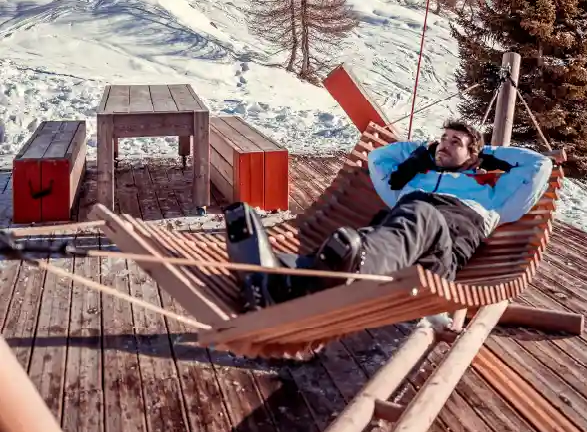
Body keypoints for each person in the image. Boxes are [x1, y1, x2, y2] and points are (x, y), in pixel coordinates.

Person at [223, 119, 552, 311]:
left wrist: (486, 155)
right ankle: (273, 280)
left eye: (456, 142)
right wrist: (422, 150)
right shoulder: (411, 180)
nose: (445, 145)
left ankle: (322, 271)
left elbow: (540, 165)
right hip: (394, 248)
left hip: (436, 264)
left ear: (472, 155)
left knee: (420, 213)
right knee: (401, 214)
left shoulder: (493, 197)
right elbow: (379, 157)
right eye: (443, 139)